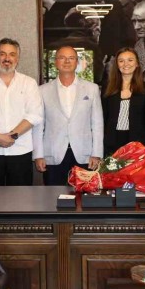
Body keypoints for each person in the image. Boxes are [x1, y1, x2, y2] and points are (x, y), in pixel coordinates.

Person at [0, 38, 44, 186]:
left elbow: (34, 114)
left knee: (21, 196)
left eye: (12, 54)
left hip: (20, 151)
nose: (7, 58)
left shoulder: (29, 83)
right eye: (2, 54)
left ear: (17, 58)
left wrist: (12, 136)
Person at [33, 46, 103, 185]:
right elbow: (38, 126)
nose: (67, 61)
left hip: (84, 155)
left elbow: (97, 124)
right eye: (62, 58)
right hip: (53, 154)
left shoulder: (92, 88)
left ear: (77, 62)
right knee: (53, 196)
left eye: (71, 58)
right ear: (55, 62)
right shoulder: (42, 90)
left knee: (83, 195)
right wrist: (38, 155)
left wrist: (96, 153)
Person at [102, 47, 145, 156]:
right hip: (111, 143)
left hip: (138, 144)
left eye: (130, 60)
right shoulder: (107, 88)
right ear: (117, 65)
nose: (125, 64)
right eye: (121, 61)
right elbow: (103, 119)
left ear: (137, 64)